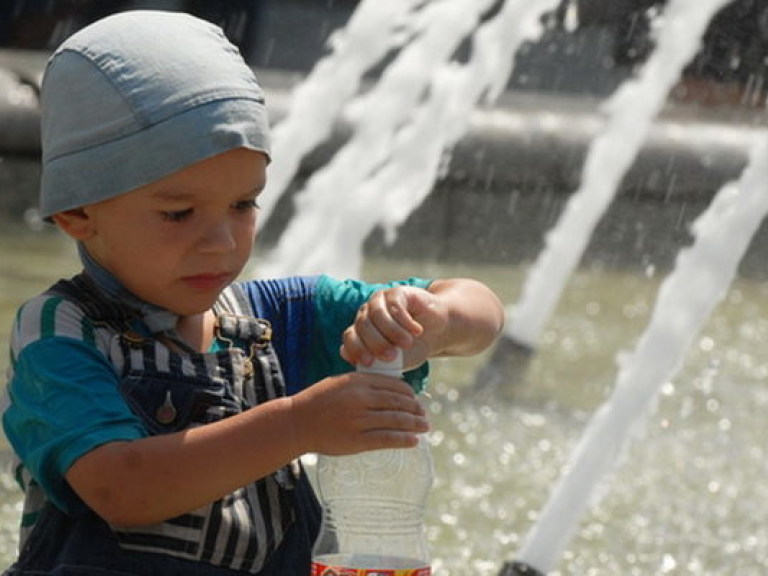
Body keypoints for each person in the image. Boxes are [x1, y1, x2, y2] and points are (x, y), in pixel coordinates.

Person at [1, 10, 505, 576]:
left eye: (243, 204)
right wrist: (296, 425)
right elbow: (121, 486)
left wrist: (433, 319)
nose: (220, 242)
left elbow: (481, 313)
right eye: (179, 213)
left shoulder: (278, 320)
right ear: (77, 212)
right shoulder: (61, 332)